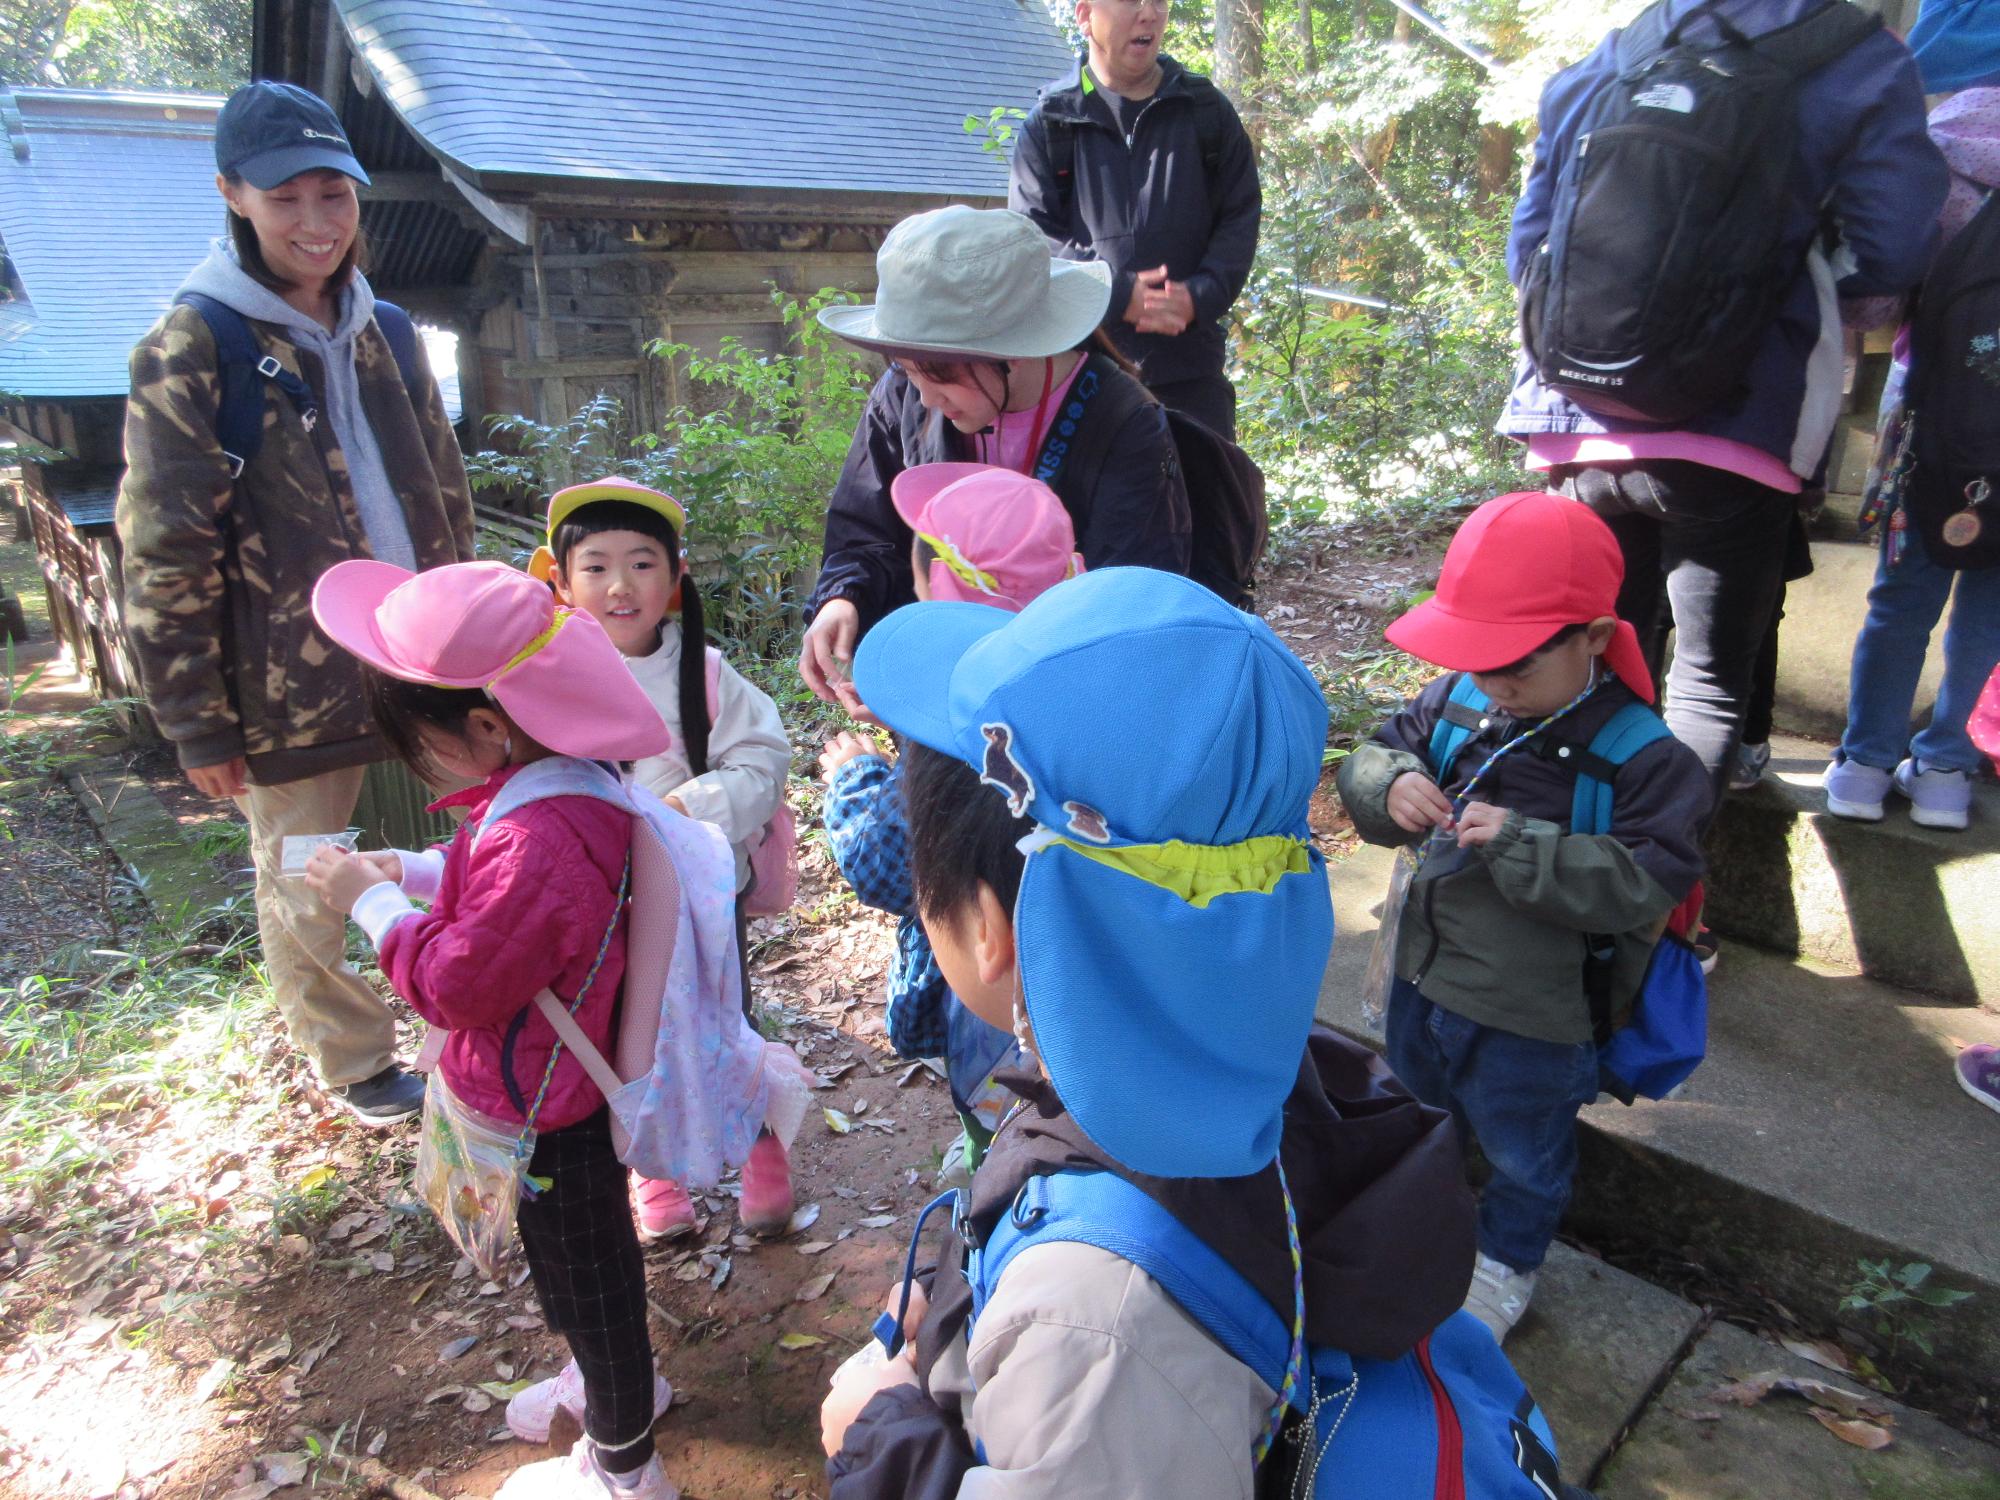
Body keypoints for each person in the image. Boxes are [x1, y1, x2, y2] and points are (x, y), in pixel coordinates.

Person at [818, 567, 1479, 1494]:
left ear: (983, 928)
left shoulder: (1096, 1328)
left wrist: (879, 1437)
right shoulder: (1253, 1062)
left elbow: (1099, 1389)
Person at [116, 80, 474, 1127]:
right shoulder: (193, 345)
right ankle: (358, 1061)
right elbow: (162, 543)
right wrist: (194, 718)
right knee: (306, 869)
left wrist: (475, 622)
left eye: (335, 195)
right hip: (282, 672)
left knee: (475, 831)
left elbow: (442, 488)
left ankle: (480, 1002)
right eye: (286, 200)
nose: (316, 224)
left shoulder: (389, 329)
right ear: (233, 195)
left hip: (422, 644)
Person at [301, 560, 693, 1499]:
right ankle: (608, 1391)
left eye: (423, 743)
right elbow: (500, 885)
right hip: (544, 1086)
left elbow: (457, 981)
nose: (423, 762)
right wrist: (418, 869)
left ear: (487, 727)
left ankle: (627, 1465)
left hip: (548, 1106)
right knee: (573, 1270)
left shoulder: (545, 834)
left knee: (593, 1282)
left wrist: (378, 908)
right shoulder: (558, 781)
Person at [1500, 0, 1947, 807]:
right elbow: (1896, 245)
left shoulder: (1621, 49)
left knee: (1603, 667)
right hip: (1740, 415)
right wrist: (1772, 296)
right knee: (1706, 683)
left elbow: (1526, 242)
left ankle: (1582, 892)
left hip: (1580, 418)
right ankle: (1662, 910)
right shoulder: (1861, 58)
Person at [1335, 493, 1711, 1341]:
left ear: (1595, 638)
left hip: (1534, 1017)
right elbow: (1376, 750)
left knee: (1524, 1150)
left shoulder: (1648, 762)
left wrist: (1522, 843)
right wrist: (1388, 784)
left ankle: (1505, 1262)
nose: (1495, 683)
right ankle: (1420, 1218)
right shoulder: (1462, 700)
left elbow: (1643, 883)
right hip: (1421, 980)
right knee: (1419, 1115)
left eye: (1518, 664)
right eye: (1478, 658)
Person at [530, 475, 797, 1240]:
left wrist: (685, 809)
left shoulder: (705, 673)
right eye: (597, 566)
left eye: (643, 563)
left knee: (721, 1023)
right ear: (560, 578)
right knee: (623, 1038)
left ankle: (760, 1150)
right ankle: (654, 1173)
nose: (620, 585)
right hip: (597, 910)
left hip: (698, 899)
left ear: (676, 575)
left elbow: (762, 759)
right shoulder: (540, 676)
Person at [800, 205, 1190, 713]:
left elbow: (1129, 608)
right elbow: (866, 530)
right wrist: (842, 598)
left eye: (938, 374)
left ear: (1015, 350)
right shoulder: (904, 392)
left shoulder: (1121, 424)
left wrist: (967, 702)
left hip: (1066, 704)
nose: (925, 398)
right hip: (946, 681)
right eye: (905, 367)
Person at [819, 464, 1083, 1186]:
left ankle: (991, 1189)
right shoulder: (1097, 684)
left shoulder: (950, 747)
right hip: (1096, 981)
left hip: (989, 1000)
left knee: (1008, 1133)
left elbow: (883, 861)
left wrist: (857, 777)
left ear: (931, 587)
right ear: (1077, 573)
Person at [1823, 44, 2000, 832]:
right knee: (1992, 609)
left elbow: (1879, 298)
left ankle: (1863, 765)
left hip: (1927, 421)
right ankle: (1946, 772)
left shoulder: (1939, 150)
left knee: (1902, 599)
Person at [1008, 0, 1261, 439]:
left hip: (1192, 375)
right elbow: (1032, 238)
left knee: (1205, 507)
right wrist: (1117, 293)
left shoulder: (1205, 112)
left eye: (1159, 2)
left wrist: (1199, 296)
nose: (1150, 14)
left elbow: (1239, 214)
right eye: (1132, 2)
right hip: (1086, 377)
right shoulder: (1051, 125)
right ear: (1085, 15)